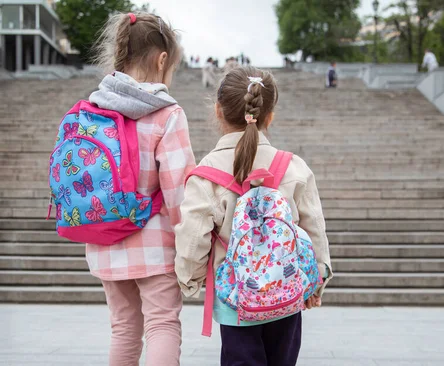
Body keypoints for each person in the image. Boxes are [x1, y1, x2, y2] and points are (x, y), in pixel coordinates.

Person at [175, 66, 333, 366]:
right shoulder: (294, 167)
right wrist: (316, 281)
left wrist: (189, 279)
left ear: (218, 111)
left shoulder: (206, 173)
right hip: (286, 295)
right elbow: (314, 230)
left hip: (236, 300)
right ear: (269, 115)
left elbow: (193, 235)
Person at [84, 12, 196, 366]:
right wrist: (192, 244)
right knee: (162, 324)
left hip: (104, 240)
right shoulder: (167, 114)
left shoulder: (93, 109)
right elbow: (179, 191)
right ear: (162, 60)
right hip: (154, 246)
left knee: (123, 328)